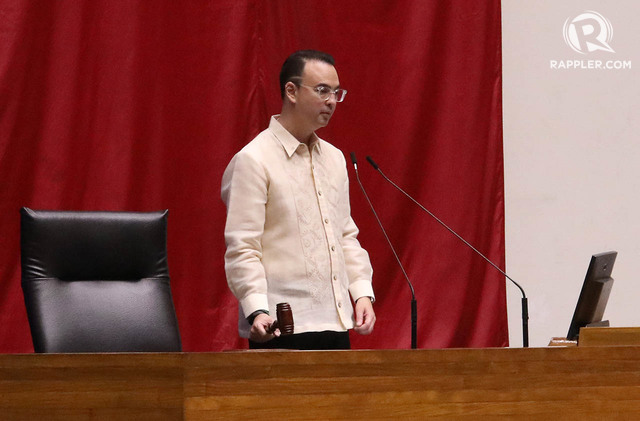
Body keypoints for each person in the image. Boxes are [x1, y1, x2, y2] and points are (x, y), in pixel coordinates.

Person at [221, 50, 375, 350]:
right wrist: (257, 309)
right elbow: (243, 246)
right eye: (322, 90)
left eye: (336, 92)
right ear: (290, 91)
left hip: (336, 322)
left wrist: (362, 292)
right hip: (281, 327)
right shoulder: (254, 160)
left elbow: (345, 235)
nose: (331, 101)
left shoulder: (334, 159)